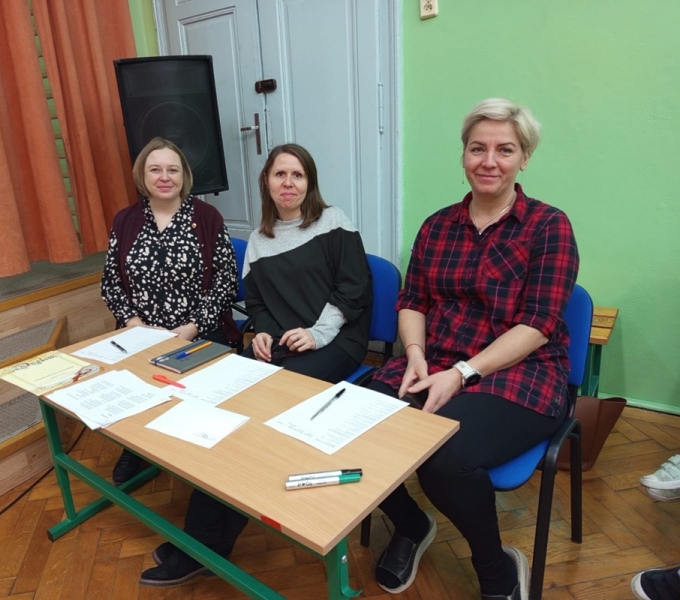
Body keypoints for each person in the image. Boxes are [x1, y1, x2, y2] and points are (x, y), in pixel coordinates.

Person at [366, 98, 579, 600]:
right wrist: (414, 353)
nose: (489, 161)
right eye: (478, 148)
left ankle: (496, 570)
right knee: (355, 427)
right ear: (463, 155)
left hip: (523, 374)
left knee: (444, 458)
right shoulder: (437, 225)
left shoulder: (549, 226)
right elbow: (413, 300)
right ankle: (412, 525)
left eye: (505, 149)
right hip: (436, 360)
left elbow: (538, 325)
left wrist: (463, 372)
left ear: (524, 158)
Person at [138, 142, 373, 587]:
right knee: (216, 402)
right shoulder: (261, 240)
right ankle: (206, 537)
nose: (289, 183)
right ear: (267, 181)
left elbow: (355, 288)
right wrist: (261, 331)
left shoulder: (333, 221)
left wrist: (318, 333)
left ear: (309, 182)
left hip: (337, 342)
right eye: (280, 174)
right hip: (282, 345)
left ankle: (205, 544)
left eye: (298, 175)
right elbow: (258, 302)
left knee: (253, 415)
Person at [101, 137, 240, 485]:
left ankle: (193, 448)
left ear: (184, 176)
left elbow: (226, 282)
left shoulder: (207, 217)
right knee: (131, 389)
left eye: (172, 170)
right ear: (143, 175)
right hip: (139, 334)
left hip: (197, 332)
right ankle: (134, 444)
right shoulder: (125, 220)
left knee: (201, 399)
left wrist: (193, 327)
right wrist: (134, 324)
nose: (164, 177)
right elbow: (110, 283)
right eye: (155, 169)